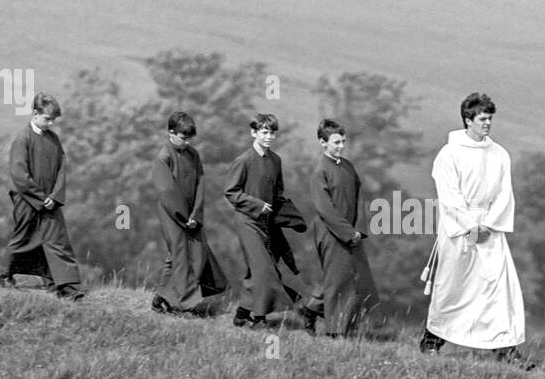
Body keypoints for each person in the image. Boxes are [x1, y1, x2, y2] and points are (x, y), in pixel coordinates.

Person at [420, 92, 532, 368]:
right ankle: (432, 339)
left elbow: (505, 194)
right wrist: (471, 228)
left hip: (491, 229)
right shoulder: (449, 154)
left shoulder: (499, 154)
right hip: (459, 230)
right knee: (453, 287)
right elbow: (449, 195)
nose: (488, 123)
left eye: (490, 118)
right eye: (482, 118)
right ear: (467, 120)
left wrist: (489, 225)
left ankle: (506, 350)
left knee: (500, 288)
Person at [0, 93, 85, 301]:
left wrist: (54, 196)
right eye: (47, 118)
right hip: (26, 200)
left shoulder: (53, 139)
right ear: (35, 114)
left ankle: (66, 286)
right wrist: (39, 197)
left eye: (54, 119)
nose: (51, 123)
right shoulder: (23, 138)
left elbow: (62, 168)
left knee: (57, 241)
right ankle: (4, 274)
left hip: (50, 201)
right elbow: (19, 174)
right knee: (23, 238)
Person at [298, 119, 380, 337]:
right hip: (331, 234)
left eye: (343, 141)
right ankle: (335, 332)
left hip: (352, 233)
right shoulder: (320, 172)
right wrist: (347, 233)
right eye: (336, 142)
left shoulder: (348, 166)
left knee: (354, 277)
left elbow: (360, 195)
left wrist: (359, 229)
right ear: (322, 143)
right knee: (337, 280)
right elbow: (325, 210)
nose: (341, 146)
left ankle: (311, 309)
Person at [223, 113, 304, 328]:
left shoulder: (275, 160)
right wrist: (258, 205)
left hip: (267, 223)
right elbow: (231, 192)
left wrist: (288, 215)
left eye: (272, 132)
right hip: (247, 221)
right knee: (263, 269)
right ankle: (259, 317)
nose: (269, 137)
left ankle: (241, 314)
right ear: (254, 133)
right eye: (265, 132)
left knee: (257, 270)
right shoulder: (244, 160)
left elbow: (278, 192)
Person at [151, 111, 229, 316]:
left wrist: (196, 214)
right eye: (183, 137)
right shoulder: (163, 157)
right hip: (172, 215)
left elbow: (201, 183)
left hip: (193, 215)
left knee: (195, 253)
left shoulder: (193, 155)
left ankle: (161, 298)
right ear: (171, 132)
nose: (186, 142)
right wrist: (184, 218)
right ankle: (183, 303)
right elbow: (167, 192)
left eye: (189, 138)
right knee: (180, 254)